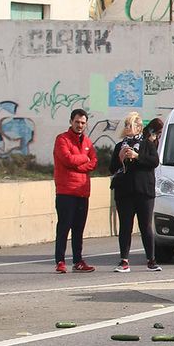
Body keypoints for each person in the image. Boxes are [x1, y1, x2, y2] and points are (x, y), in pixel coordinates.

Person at [111, 116, 163, 272]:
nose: (128, 127)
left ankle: (151, 260)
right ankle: (124, 260)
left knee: (145, 226)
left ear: (139, 128)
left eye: (131, 125)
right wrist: (120, 158)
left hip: (144, 191)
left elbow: (154, 162)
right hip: (124, 192)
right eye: (126, 124)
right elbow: (112, 168)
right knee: (125, 226)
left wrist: (137, 156)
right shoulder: (120, 145)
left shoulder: (147, 144)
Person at [53, 108, 98, 273]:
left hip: (82, 191)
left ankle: (78, 260)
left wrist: (81, 162)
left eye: (83, 123)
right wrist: (83, 159)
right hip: (66, 192)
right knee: (64, 227)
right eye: (77, 122)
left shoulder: (87, 142)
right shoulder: (62, 139)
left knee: (78, 229)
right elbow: (67, 160)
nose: (80, 125)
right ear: (71, 122)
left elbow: (94, 162)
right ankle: (60, 261)